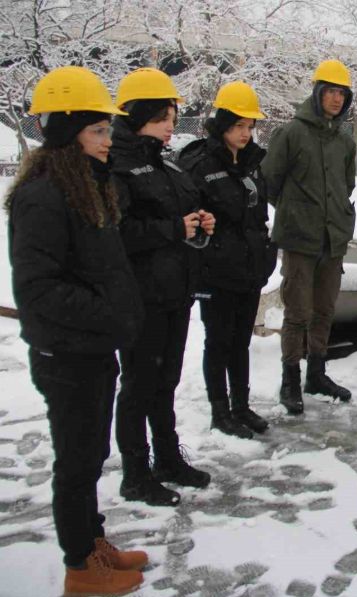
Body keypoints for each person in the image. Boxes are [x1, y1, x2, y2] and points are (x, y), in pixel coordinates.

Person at [7, 66, 147, 597]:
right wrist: (109, 313)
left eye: (108, 130)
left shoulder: (85, 185)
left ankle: (92, 542)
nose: (110, 140)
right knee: (77, 460)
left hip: (90, 348)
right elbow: (39, 290)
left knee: (89, 455)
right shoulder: (43, 196)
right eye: (98, 130)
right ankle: (79, 566)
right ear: (68, 132)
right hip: (67, 353)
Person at [112, 68, 213, 506]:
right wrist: (176, 227)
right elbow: (119, 234)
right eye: (161, 117)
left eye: (173, 115)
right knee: (139, 383)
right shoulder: (117, 164)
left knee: (166, 379)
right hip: (140, 295)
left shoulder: (165, 161)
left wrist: (201, 224)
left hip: (175, 290)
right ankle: (135, 472)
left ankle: (168, 457)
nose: (171, 125)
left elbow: (187, 212)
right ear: (137, 116)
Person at [179, 81, 277, 438]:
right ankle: (220, 411)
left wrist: (267, 255)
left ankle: (241, 405)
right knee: (218, 342)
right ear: (222, 125)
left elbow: (259, 216)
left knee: (240, 341)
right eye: (238, 126)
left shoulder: (255, 162)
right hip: (216, 272)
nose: (245, 133)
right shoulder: (200, 164)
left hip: (249, 270)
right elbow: (192, 222)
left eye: (250, 127)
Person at [262, 59, 356, 414]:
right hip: (300, 239)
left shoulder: (344, 142)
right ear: (317, 93)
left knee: (324, 310)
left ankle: (316, 374)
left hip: (333, 240)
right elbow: (271, 181)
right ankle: (290, 378)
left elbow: (345, 184)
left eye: (342, 94)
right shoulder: (291, 133)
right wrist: (297, 211)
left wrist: (338, 220)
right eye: (330, 92)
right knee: (297, 311)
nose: (336, 99)